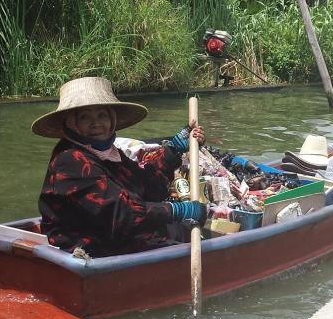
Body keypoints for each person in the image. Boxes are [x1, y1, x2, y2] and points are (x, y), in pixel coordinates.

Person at [32, 77, 206, 256]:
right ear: (71, 124)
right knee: (173, 229)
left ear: (112, 119)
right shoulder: (71, 160)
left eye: (102, 115)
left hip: (114, 238)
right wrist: (176, 210)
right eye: (85, 117)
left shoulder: (109, 153)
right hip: (87, 250)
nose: (96, 123)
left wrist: (172, 151)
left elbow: (147, 187)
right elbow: (123, 215)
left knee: (178, 228)